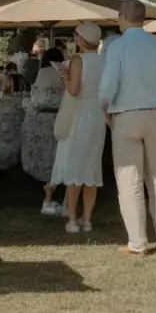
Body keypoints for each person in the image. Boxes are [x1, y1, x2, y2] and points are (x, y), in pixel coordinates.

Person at [99, 0, 156, 255]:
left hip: (127, 114)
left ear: (122, 17)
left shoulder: (118, 47)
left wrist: (104, 105)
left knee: (129, 180)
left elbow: (109, 84)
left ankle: (138, 242)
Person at [50, 22, 107, 233]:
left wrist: (65, 77)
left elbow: (74, 90)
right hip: (97, 114)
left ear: (80, 40)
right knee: (92, 166)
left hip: (80, 115)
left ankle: (72, 219)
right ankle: (87, 219)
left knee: (75, 166)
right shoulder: (104, 60)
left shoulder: (78, 59)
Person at [24, 47, 68, 215]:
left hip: (43, 118)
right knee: (57, 154)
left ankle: (48, 192)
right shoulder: (64, 72)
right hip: (60, 117)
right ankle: (56, 189)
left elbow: (36, 97)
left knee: (44, 154)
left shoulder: (43, 73)